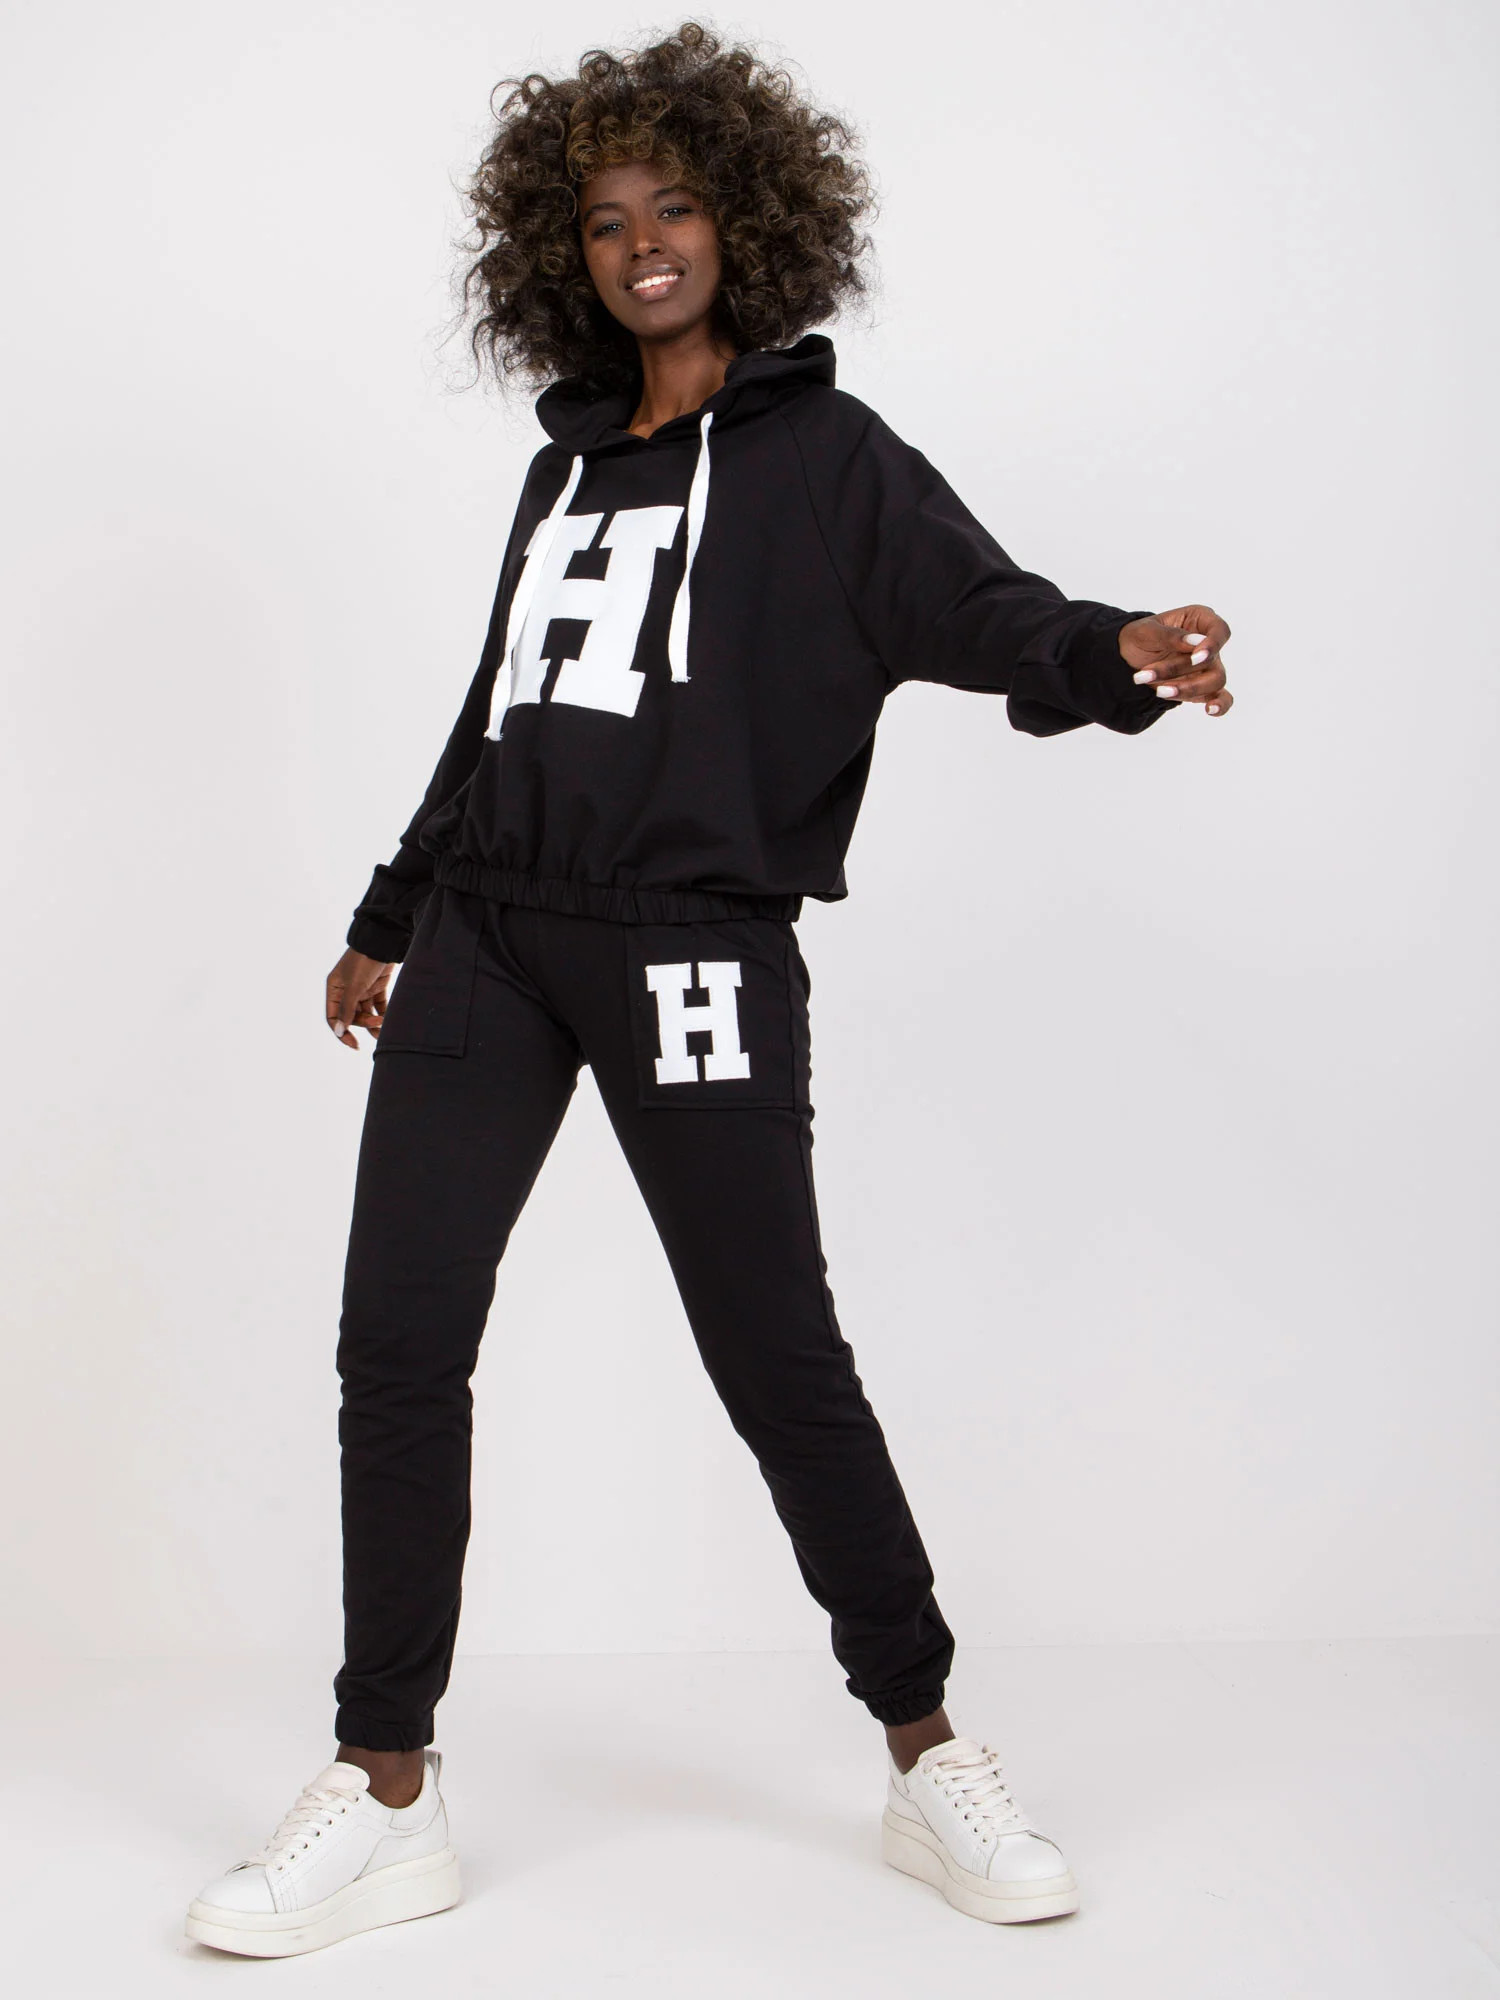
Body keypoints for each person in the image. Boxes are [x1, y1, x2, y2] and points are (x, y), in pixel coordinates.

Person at [184, 20, 1233, 1959]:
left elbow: (985, 615)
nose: (643, 243)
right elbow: (501, 709)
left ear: (745, 221)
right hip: (492, 934)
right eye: (604, 220)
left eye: (674, 206)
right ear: (562, 253)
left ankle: (927, 1749)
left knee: (775, 1358)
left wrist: (1117, 653)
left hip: (693, 948)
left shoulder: (829, 460)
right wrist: (393, 911)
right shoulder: (567, 465)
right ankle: (385, 1788)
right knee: (396, 1344)